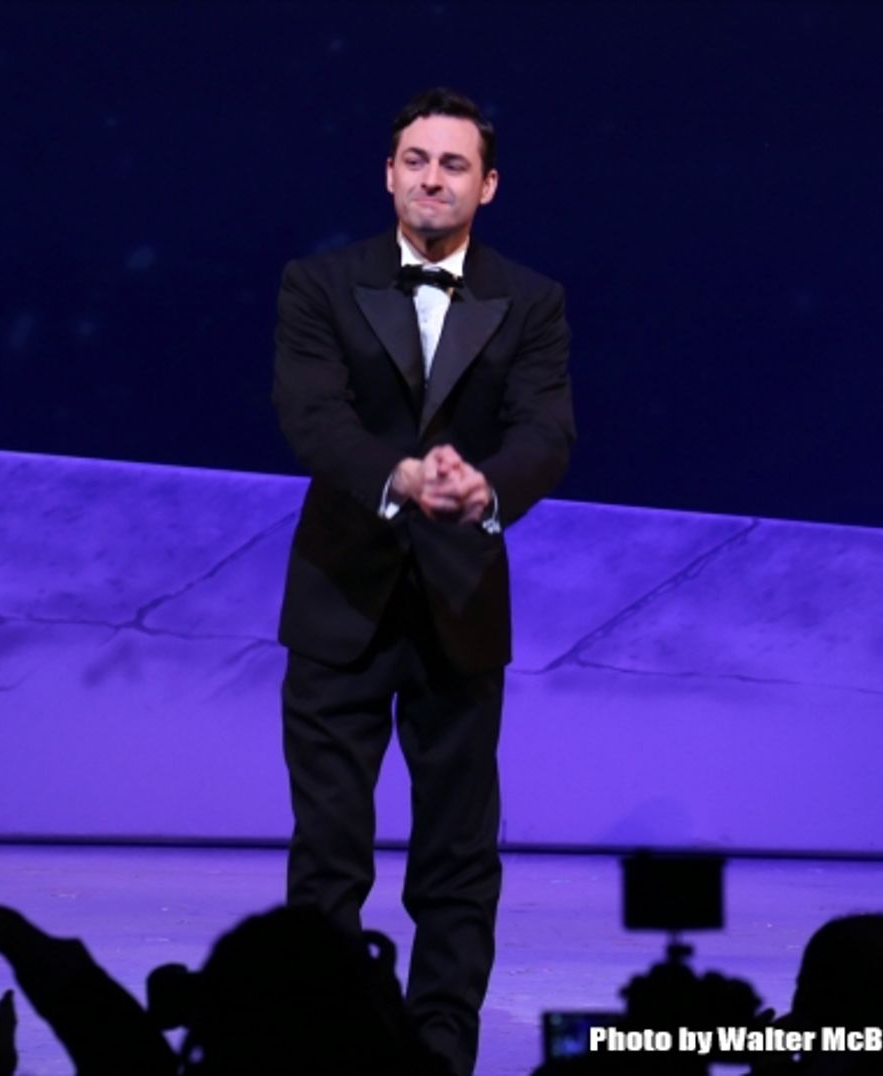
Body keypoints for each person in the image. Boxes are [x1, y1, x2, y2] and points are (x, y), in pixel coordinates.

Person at [272, 87, 576, 1076]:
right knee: (327, 852)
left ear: (486, 185)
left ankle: (437, 1048)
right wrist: (399, 477)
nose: (429, 177)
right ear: (388, 171)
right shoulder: (318, 282)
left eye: (451, 164)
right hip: (337, 602)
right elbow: (312, 417)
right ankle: (317, 1043)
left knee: (453, 856)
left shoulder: (529, 299)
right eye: (413, 159)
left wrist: (486, 486)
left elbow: (546, 428)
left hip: (458, 603)